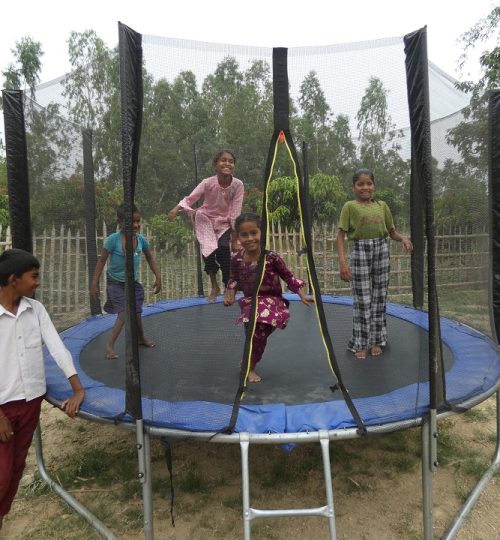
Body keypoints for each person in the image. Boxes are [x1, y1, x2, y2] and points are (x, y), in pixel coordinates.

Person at [0, 248, 85, 530]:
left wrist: (77, 389)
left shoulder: (35, 310)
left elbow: (57, 348)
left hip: (29, 403)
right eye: (34, 277)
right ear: (14, 280)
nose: (38, 282)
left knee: (14, 472)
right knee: (1, 476)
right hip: (2, 408)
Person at [224, 213, 314, 383]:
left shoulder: (271, 257)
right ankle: (249, 364)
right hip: (250, 303)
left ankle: (249, 367)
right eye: (244, 235)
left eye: (254, 233)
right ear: (238, 237)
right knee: (253, 336)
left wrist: (302, 294)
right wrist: (230, 295)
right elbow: (233, 279)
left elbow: (288, 276)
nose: (250, 238)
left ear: (261, 233)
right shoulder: (236, 259)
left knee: (257, 335)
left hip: (272, 301)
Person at [336, 168, 413, 360]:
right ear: (354, 187)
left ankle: (377, 340)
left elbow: (391, 232)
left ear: (374, 186)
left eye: (369, 183)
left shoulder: (382, 206)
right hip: (360, 250)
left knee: (379, 297)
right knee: (363, 299)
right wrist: (343, 263)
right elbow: (341, 235)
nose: (365, 187)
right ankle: (361, 343)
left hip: (381, 250)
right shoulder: (349, 207)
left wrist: (402, 238)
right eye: (360, 184)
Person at [168, 149, 244, 302]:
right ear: (215, 165)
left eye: (231, 161)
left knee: (223, 249)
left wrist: (234, 241)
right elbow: (191, 198)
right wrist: (176, 208)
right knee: (208, 252)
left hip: (225, 222)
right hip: (206, 220)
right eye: (223, 160)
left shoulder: (238, 185)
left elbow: (235, 212)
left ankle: (229, 286)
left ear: (234, 165)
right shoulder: (207, 182)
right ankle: (214, 286)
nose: (227, 163)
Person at [90, 203, 162, 359]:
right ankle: (110, 345)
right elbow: (102, 261)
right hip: (115, 283)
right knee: (124, 314)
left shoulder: (141, 240)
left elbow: (150, 257)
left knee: (136, 312)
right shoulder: (112, 240)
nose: (136, 225)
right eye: (132, 222)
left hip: (133, 283)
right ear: (120, 222)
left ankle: (141, 338)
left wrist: (158, 276)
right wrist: (94, 283)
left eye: (138, 221)